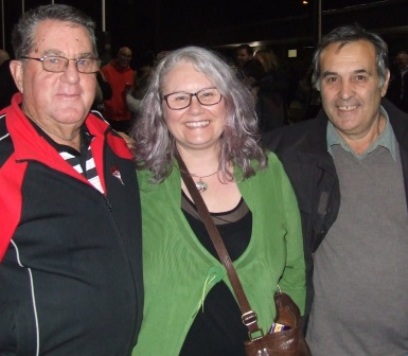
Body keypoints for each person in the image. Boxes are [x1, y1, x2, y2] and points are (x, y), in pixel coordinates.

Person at [130, 46, 306, 355]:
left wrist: (279, 336)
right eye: (179, 97)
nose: (194, 109)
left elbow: (293, 271)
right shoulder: (136, 182)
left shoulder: (267, 171)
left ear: (229, 102)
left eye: (208, 94)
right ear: (160, 109)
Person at [0, 4, 143, 355]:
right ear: (18, 74)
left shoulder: (117, 148)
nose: (71, 76)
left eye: (83, 61)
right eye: (52, 60)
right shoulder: (5, 162)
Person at [265, 24, 408, 355]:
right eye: (332, 79)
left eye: (360, 77)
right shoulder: (282, 155)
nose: (345, 93)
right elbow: (212, 162)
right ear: (318, 86)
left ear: (384, 82)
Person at [101, 46, 135, 132]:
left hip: (126, 118)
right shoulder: (106, 70)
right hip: (109, 117)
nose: (126, 58)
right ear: (118, 55)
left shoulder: (132, 73)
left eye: (128, 56)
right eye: (123, 55)